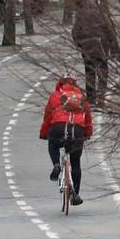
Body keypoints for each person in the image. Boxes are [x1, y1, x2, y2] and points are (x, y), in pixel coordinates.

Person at [40, 76, 93, 206]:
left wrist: (44, 133)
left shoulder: (55, 96)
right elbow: (88, 119)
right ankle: (75, 193)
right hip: (77, 130)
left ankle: (56, 165)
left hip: (58, 127)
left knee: (53, 145)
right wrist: (87, 134)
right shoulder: (81, 97)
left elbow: (47, 117)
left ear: (60, 84)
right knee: (75, 162)